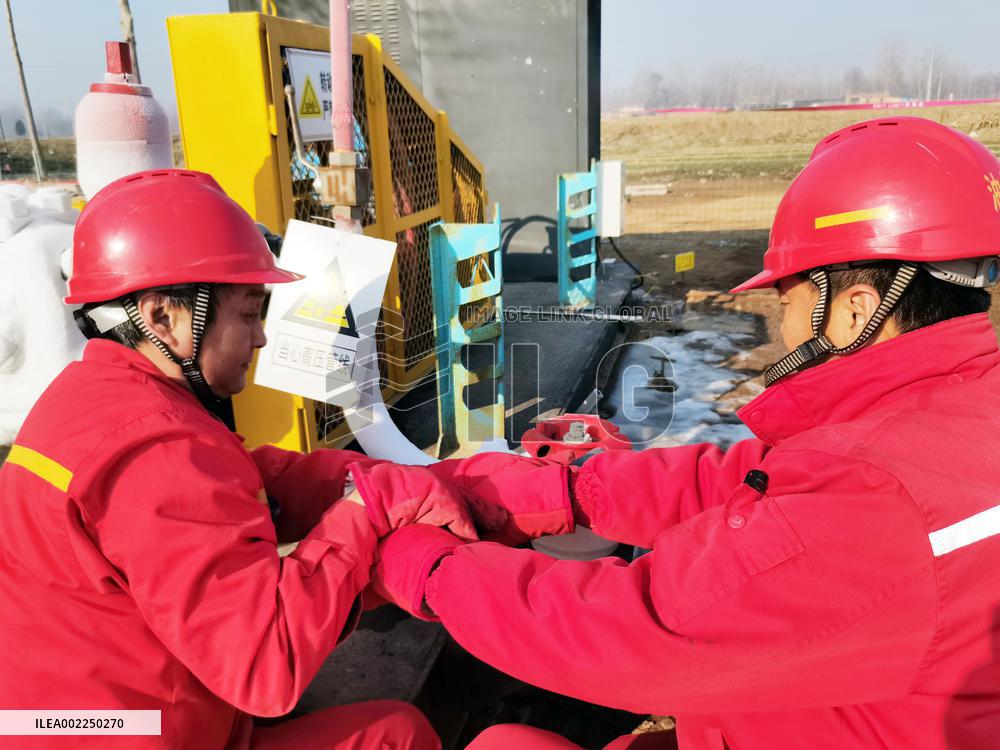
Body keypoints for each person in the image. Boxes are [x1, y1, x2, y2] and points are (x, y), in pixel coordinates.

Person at [360, 116, 1000, 749]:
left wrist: (429, 568)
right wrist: (566, 493)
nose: (785, 328)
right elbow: (744, 483)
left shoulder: (881, 500)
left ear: (857, 308)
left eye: (789, 300)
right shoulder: (941, 421)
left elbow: (644, 631)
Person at [0, 168, 484, 749]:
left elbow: (244, 485)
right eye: (250, 312)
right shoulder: (156, 450)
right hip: (139, 733)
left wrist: (372, 481)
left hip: (58, 718)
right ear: (163, 318)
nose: (259, 338)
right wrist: (367, 512)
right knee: (396, 736)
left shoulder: (94, 398)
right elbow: (265, 667)